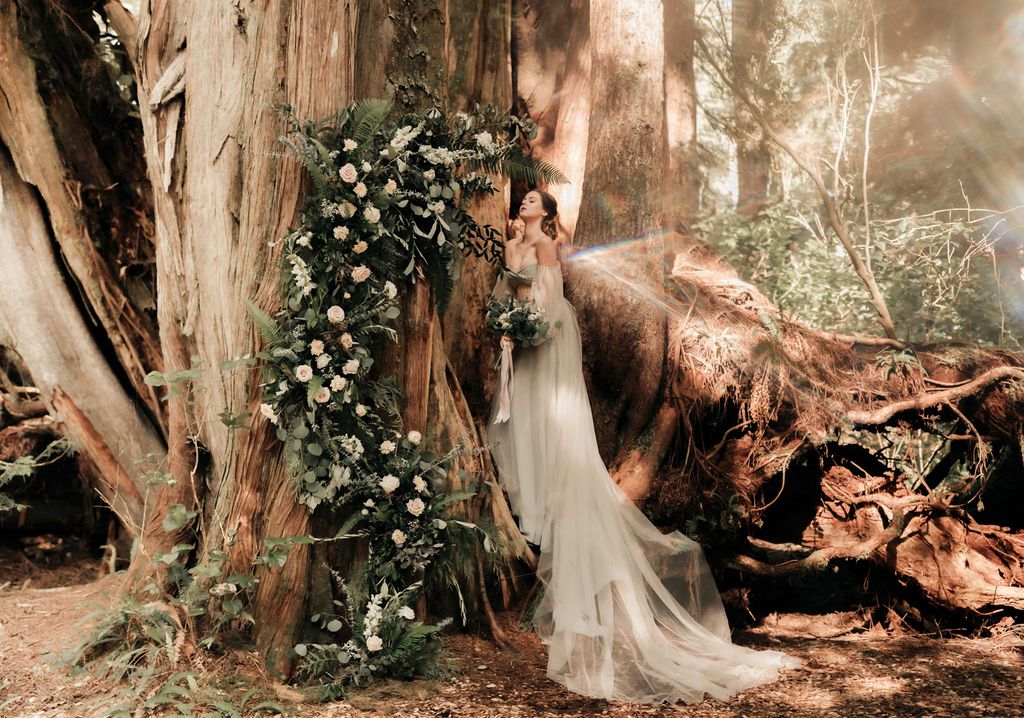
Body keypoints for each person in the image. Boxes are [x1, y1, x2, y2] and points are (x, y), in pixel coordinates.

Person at [486, 189, 801, 704]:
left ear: (546, 212)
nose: (523, 204)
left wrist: (524, 329)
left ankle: (550, 492)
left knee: (550, 413)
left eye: (531, 201)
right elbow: (509, 291)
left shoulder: (545, 244)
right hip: (523, 335)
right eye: (521, 201)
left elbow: (543, 299)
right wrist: (504, 323)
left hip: (548, 332)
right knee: (526, 415)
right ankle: (536, 488)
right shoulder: (513, 242)